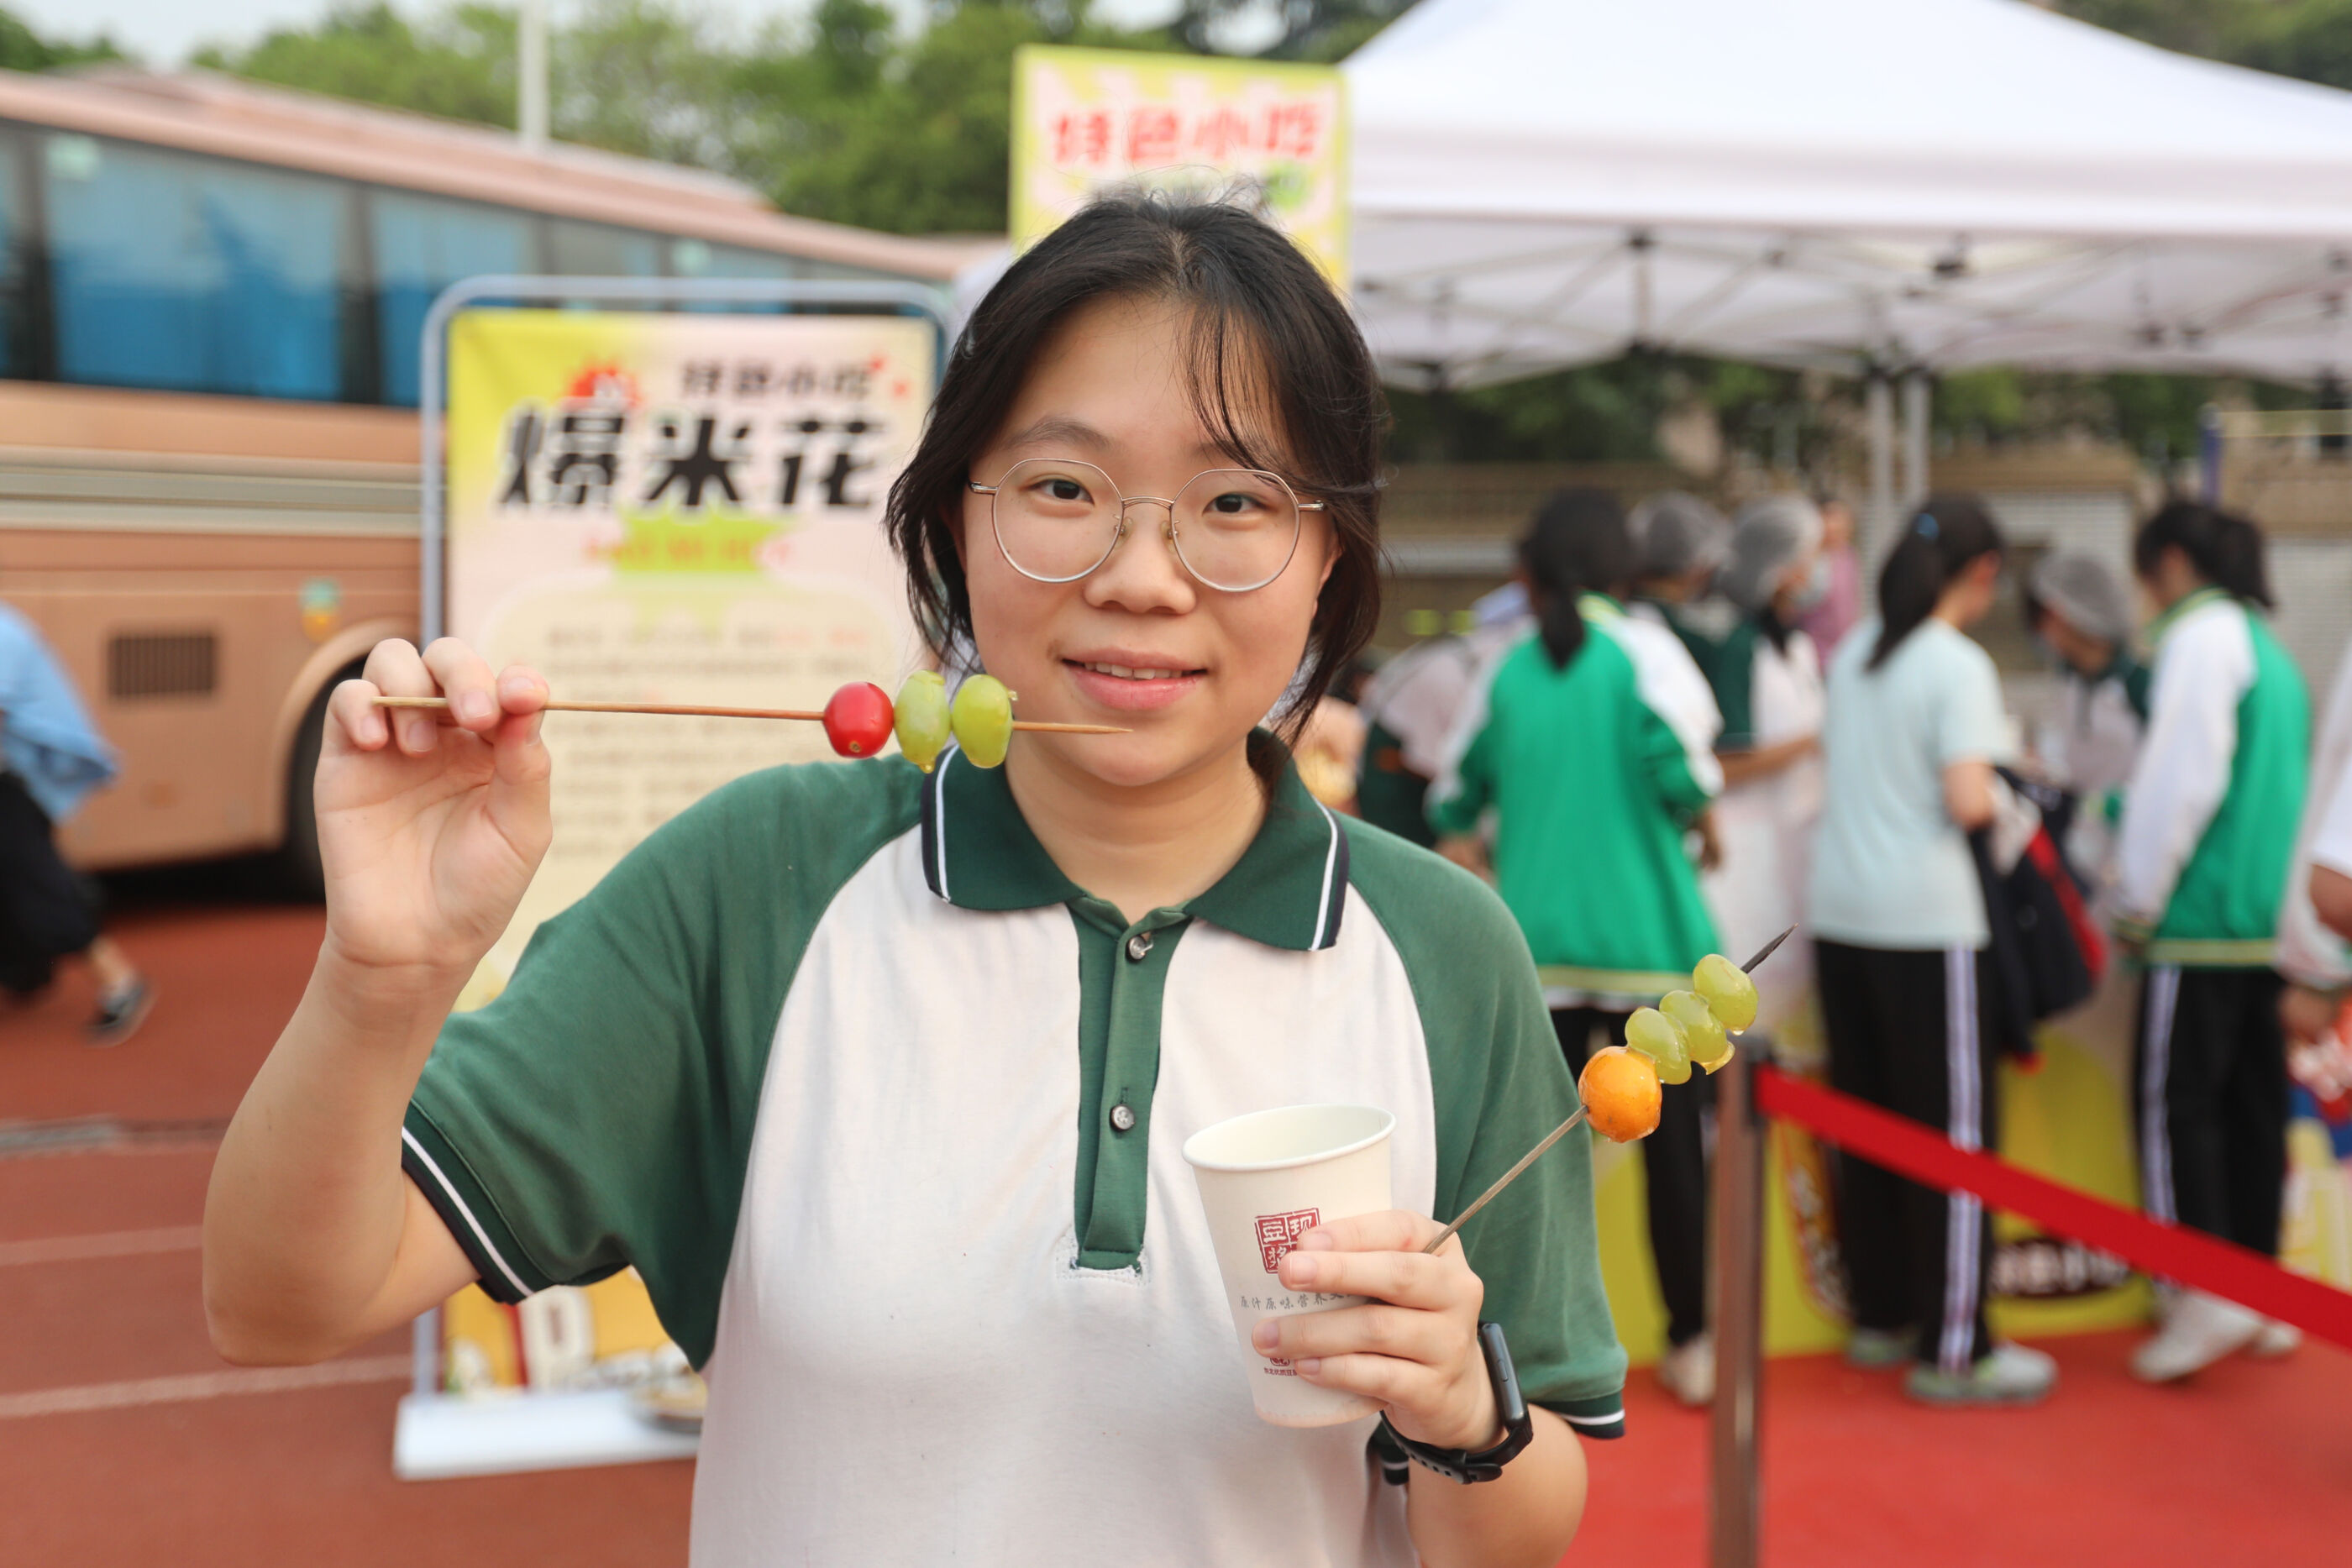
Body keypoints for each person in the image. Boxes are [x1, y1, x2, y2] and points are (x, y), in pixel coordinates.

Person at [201, 194, 1625, 1566]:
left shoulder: (1442, 949)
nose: (1144, 575)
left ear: (1328, 553)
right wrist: (381, 976)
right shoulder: (757, 887)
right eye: (1064, 487)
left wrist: (1469, 1415)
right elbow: (281, 1301)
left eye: (1236, 499)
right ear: (953, 517)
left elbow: (1521, 1522)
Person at [1427, 489, 1725, 1409]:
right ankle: (1692, 1340)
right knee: (1678, 1163)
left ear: (1531, 571)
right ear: (1620, 567)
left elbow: (1451, 792)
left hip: (1538, 953)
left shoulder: (1505, 668)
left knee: (1534, 1165)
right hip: (1651, 947)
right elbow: (1690, 773)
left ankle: (1523, 1353)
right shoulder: (1648, 652)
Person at [1809, 496, 2056, 1406]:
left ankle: (1881, 1317)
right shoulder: (1956, 663)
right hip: (1928, 921)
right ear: (1984, 570)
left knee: (1867, 1127)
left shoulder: (1855, 652)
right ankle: (1955, 1344)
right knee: (1951, 1139)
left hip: (1841, 914)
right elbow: (1969, 801)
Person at [2112, 502, 2308, 1383]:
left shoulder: (2197, 639)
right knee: (2252, 1110)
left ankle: (2197, 1290)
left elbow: (2177, 783)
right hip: (2267, 924)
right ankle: (2257, 1287)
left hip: (2197, 925)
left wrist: (2137, 900)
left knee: (2175, 1109)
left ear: (2171, 562)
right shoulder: (2269, 648)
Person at [0, 602, 151, 1043]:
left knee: (37, 884)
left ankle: (121, 982)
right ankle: (26, 972)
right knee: (22, 882)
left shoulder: (5, 633)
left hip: (18, 786)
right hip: (14, 782)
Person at [1704, 495, 1827, 1025]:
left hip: (1795, 840)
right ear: (1777, 569)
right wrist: (1812, 742)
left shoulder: (1796, 645)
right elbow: (1724, 763)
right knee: (1742, 1012)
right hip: (1746, 854)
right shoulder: (1739, 647)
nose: (1817, 570)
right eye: (1810, 556)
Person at [2023, 550, 2147, 857]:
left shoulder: (2139, 684)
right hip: (2078, 847)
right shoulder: (2068, 681)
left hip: (2132, 848)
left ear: (2060, 615)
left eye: (2044, 621)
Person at [1797, 495, 1863, 658]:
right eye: (1832, 518)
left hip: (1845, 652)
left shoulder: (1848, 556)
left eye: (1844, 520)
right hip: (1814, 654)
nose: (1840, 526)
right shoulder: (1807, 560)